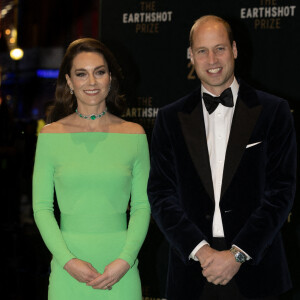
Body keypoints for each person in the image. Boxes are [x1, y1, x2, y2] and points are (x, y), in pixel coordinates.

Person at [147, 15, 296, 300]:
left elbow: (281, 192)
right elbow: (161, 194)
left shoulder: (274, 111)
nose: (212, 59)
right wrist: (200, 251)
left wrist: (237, 255)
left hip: (258, 270)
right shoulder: (169, 118)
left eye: (220, 48)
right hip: (192, 272)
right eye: (202, 51)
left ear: (235, 50)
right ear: (190, 55)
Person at [32, 38, 150, 300]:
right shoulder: (50, 136)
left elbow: (143, 206)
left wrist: (125, 261)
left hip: (121, 268)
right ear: (70, 82)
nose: (92, 82)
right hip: (67, 270)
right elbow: (41, 207)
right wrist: (68, 261)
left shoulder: (134, 135)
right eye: (81, 74)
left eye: (99, 72)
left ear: (110, 77)